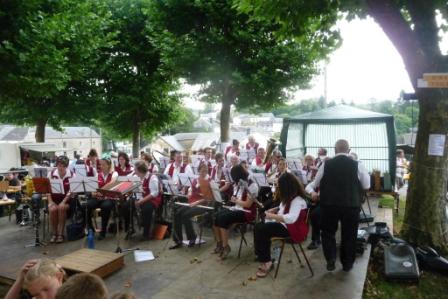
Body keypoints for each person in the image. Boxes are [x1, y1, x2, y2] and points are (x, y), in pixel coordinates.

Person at [312, 139, 370, 272]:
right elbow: (367, 185)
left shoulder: (326, 164)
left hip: (329, 205)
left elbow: (316, 183)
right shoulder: (357, 164)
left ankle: (331, 258)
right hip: (351, 205)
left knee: (328, 233)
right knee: (349, 234)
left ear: (334, 149)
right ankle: (347, 264)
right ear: (349, 151)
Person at [253, 173, 308, 278]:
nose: (279, 189)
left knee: (262, 229)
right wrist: (276, 209)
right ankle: (262, 256)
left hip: (293, 229)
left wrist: (271, 215)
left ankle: (267, 261)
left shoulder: (298, 200)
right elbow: (283, 207)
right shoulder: (290, 197)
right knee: (258, 226)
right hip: (286, 225)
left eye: (280, 187)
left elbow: (291, 218)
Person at [213, 164, 259, 259]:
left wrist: (235, 200)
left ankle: (226, 247)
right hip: (237, 208)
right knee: (215, 216)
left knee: (223, 218)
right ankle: (220, 243)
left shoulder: (252, 185)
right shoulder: (239, 183)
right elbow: (236, 198)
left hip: (247, 213)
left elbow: (248, 204)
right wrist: (234, 198)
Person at [169, 163, 213, 249]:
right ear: (199, 170)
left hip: (202, 205)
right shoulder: (196, 179)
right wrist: (189, 193)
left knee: (185, 215)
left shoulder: (209, 180)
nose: (204, 172)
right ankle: (178, 240)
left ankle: (192, 237)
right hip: (192, 202)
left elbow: (208, 197)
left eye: (206, 170)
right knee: (177, 213)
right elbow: (191, 189)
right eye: (202, 170)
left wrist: (195, 203)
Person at [123, 160, 161, 241]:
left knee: (147, 209)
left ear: (140, 170)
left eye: (135, 170)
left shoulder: (152, 177)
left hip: (151, 199)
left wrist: (141, 202)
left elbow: (154, 193)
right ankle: (131, 228)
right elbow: (132, 187)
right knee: (126, 206)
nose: (134, 171)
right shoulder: (136, 177)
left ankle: (146, 232)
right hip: (138, 197)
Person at [86, 158, 118, 240]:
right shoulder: (98, 174)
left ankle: (103, 231)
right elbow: (94, 186)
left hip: (110, 198)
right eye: (100, 164)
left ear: (109, 165)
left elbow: (112, 183)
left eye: (104, 164)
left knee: (105, 206)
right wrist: (93, 192)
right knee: (87, 205)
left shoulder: (114, 173)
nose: (101, 166)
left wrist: (100, 190)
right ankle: (91, 228)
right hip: (99, 197)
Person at [48, 156, 75, 243]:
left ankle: (60, 234)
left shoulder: (71, 174)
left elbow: (72, 191)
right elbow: (47, 189)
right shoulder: (51, 174)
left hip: (67, 200)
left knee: (61, 208)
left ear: (66, 166)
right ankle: (54, 233)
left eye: (63, 166)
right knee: (52, 209)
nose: (60, 168)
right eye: (59, 165)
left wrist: (63, 201)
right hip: (54, 200)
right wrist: (50, 202)